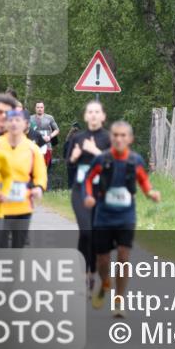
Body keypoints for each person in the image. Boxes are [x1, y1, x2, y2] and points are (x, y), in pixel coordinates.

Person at [84, 121, 160, 316]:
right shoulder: (101, 160)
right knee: (102, 260)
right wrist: (89, 196)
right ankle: (105, 282)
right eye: (115, 135)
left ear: (130, 139)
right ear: (111, 139)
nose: (119, 139)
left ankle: (118, 301)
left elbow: (143, 179)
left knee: (124, 258)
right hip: (103, 215)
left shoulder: (135, 161)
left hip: (126, 216)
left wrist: (150, 193)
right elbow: (88, 180)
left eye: (123, 135)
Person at [65, 101, 111, 296]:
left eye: (96, 112)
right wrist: (74, 157)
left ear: (103, 116)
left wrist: (95, 152)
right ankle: (83, 273)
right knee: (86, 231)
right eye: (89, 112)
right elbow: (68, 162)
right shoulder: (78, 138)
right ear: (85, 117)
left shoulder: (108, 138)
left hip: (100, 191)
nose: (93, 115)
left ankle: (92, 271)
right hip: (80, 190)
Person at [0, 109, 46, 249]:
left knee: (18, 247)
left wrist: (39, 188)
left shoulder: (32, 148)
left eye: (18, 120)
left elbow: (40, 174)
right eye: (11, 120)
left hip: (23, 205)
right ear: (5, 124)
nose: (14, 123)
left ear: (25, 124)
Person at [29, 101, 60, 168]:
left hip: (47, 146)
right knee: (34, 168)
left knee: (45, 167)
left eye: (41, 107)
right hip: (34, 146)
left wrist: (50, 136)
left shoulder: (49, 118)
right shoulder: (30, 118)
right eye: (38, 107)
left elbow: (57, 130)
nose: (40, 109)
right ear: (35, 108)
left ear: (44, 108)